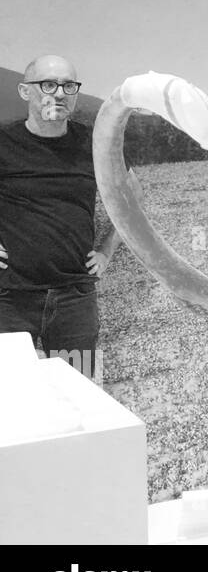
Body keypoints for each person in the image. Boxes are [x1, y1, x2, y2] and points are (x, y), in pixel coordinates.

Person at [0, 56, 120, 380]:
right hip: (10, 298)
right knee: (10, 395)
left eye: (69, 85)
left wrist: (107, 250)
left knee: (79, 396)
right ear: (25, 92)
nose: (60, 93)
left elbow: (130, 195)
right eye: (48, 85)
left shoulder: (94, 145)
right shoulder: (4, 143)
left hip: (74, 299)